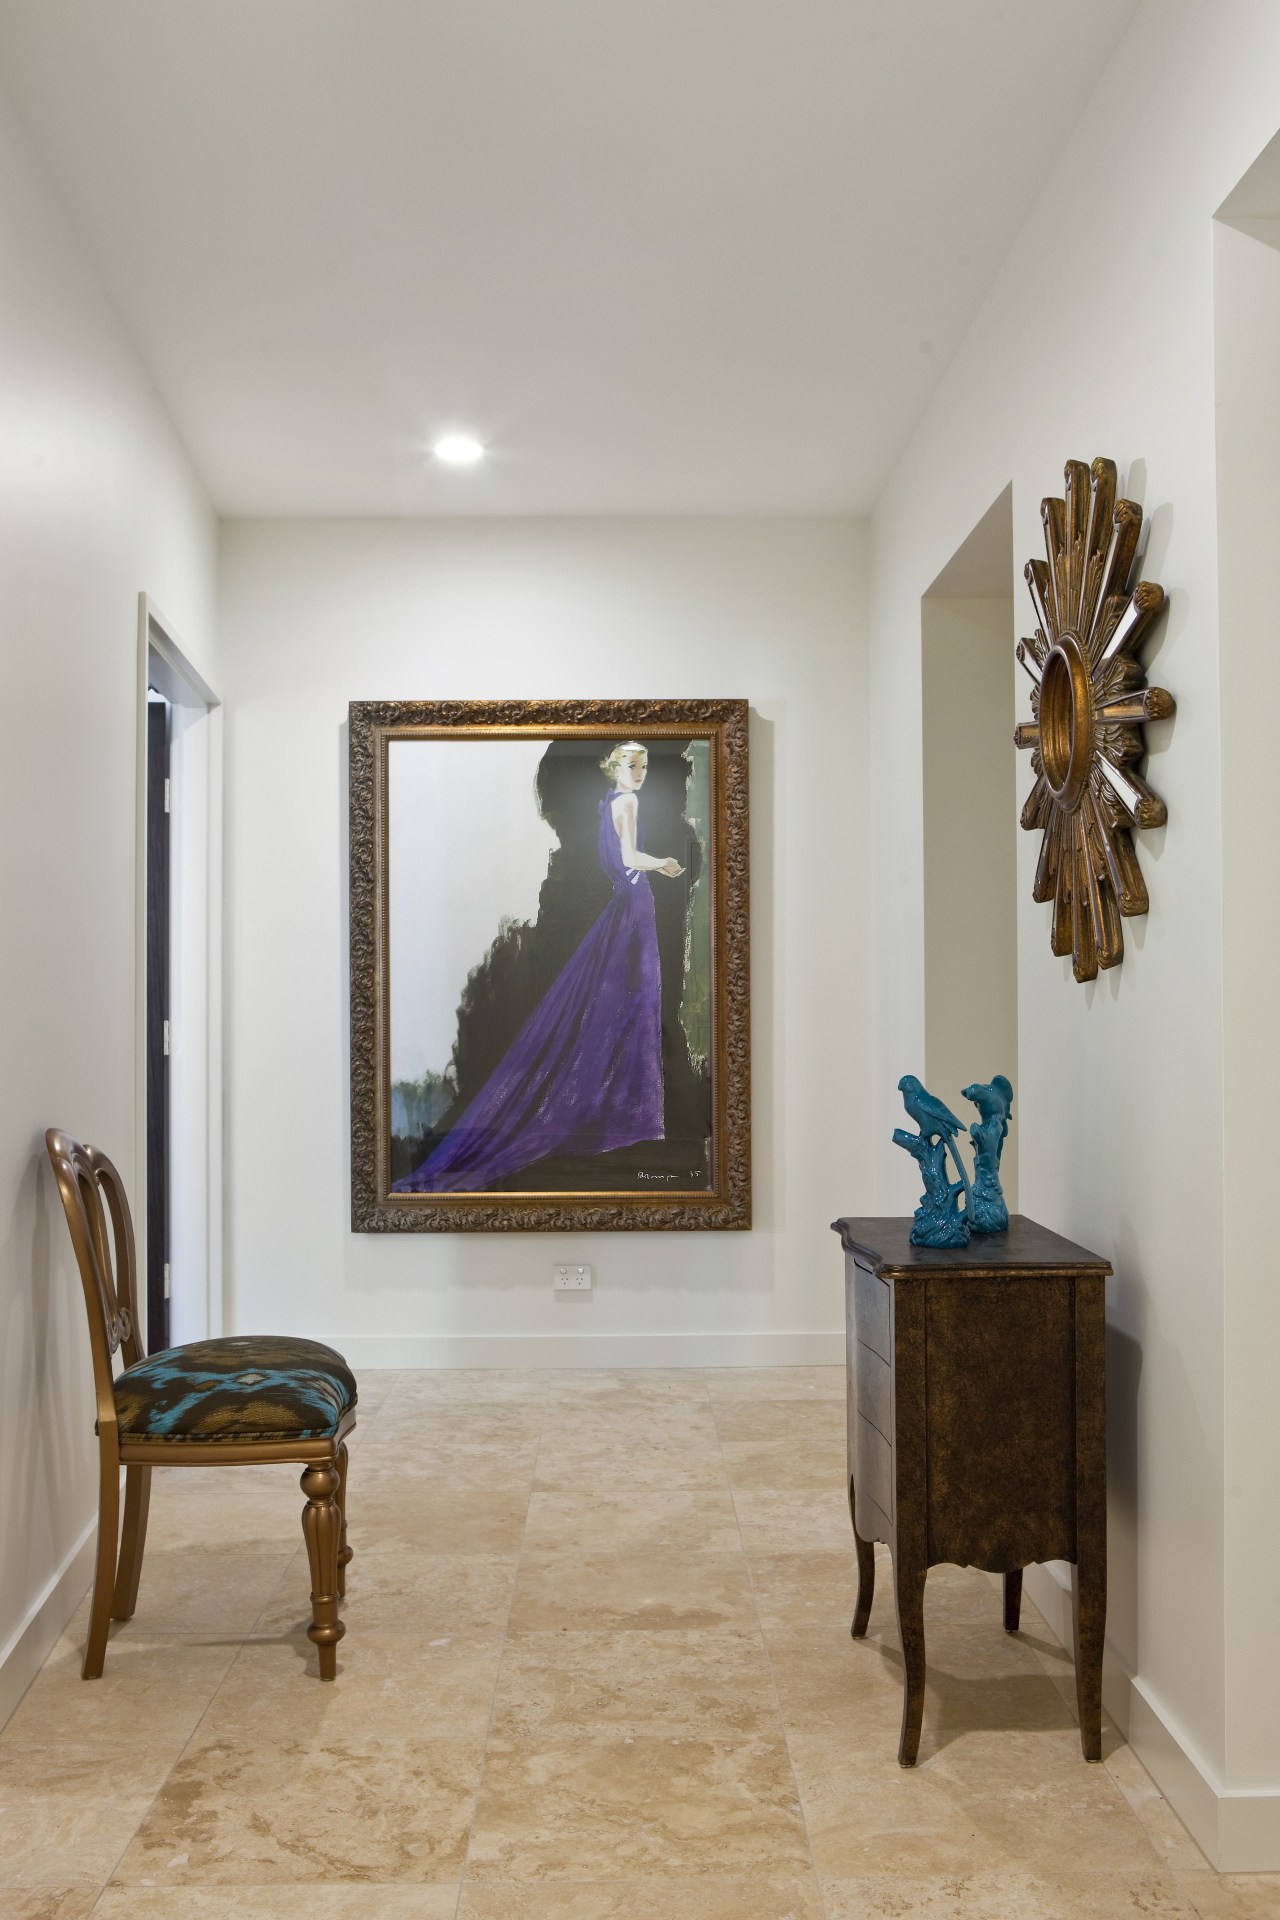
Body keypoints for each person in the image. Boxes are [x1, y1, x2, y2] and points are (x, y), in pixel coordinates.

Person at [393, 741, 685, 1192]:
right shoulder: (625, 801)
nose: (640, 771)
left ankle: (627, 1118)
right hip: (632, 905)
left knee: (624, 1008)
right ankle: (629, 1119)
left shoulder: (612, 799)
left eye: (644, 764)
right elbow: (628, 858)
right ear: (615, 767)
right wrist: (661, 862)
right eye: (632, 764)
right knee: (633, 1006)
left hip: (628, 906)